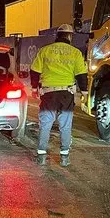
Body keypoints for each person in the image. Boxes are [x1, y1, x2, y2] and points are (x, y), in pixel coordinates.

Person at [30, 24, 88, 167]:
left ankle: (41, 156)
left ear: (57, 35)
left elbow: (34, 71)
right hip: (66, 94)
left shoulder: (45, 51)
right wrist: (85, 92)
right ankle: (64, 157)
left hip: (48, 94)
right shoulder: (75, 53)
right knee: (65, 125)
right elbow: (81, 74)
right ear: (69, 36)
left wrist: (34, 88)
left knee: (45, 124)